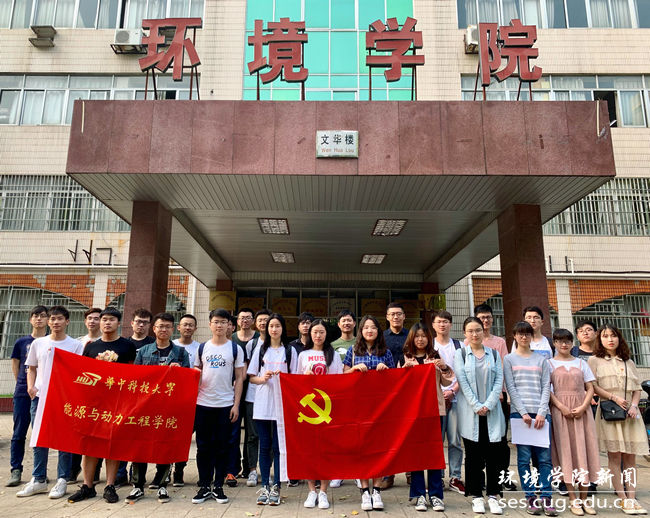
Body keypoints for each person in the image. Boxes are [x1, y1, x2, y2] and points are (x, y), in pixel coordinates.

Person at [68, 307, 136, 504]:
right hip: (94, 404)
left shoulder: (127, 346)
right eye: (104, 319)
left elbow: (134, 374)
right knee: (90, 445)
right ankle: (87, 486)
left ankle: (110, 486)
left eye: (111, 319)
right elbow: (83, 374)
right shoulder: (91, 347)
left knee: (112, 445)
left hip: (117, 403)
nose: (107, 323)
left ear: (118, 323)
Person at [17, 306, 83, 500]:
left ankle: (62, 479)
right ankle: (39, 479)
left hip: (64, 398)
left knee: (64, 438)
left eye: (60, 319)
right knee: (39, 437)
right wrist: (31, 387)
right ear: (48, 321)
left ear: (67, 321)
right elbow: (31, 368)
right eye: (52, 319)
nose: (55, 322)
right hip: (40, 397)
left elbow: (78, 371)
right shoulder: (38, 343)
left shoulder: (75, 345)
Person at [126, 312, 191, 504]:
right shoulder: (143, 351)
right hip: (145, 407)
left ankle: (162, 484)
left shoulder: (181, 353)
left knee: (165, 445)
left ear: (173, 329)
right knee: (140, 446)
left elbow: (187, 382)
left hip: (168, 408)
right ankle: (138, 485)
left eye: (167, 326)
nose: (164, 329)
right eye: (160, 326)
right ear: (154, 329)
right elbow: (136, 379)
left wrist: (180, 372)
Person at [588, 324, 649, 515]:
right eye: (605, 336)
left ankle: (632, 497)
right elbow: (593, 386)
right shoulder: (594, 360)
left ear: (619, 338)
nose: (610, 339)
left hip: (630, 414)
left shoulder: (628, 361)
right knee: (614, 457)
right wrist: (613, 398)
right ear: (600, 339)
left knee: (630, 458)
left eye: (613, 335)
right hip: (610, 412)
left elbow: (637, 388)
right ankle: (623, 498)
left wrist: (634, 405)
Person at [191, 309, 246, 504]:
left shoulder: (235, 349)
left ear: (229, 325)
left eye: (223, 322)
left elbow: (239, 378)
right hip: (203, 404)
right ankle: (204, 485)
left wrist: (236, 405)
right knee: (203, 447)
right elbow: (196, 374)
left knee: (222, 447)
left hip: (225, 405)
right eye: (216, 322)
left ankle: (218, 486)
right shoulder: (202, 348)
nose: (219, 325)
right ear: (210, 324)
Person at [454, 316, 505, 516]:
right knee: (473, 455)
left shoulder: (494, 354)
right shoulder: (461, 354)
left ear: (483, 332)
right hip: (470, 412)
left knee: (494, 456)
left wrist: (489, 404)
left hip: (492, 412)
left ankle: (493, 495)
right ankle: (476, 495)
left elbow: (499, 380)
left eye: (478, 330)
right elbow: (462, 381)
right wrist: (476, 405)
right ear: (465, 334)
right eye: (470, 331)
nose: (474, 334)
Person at [503, 321, 556, 516]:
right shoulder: (508, 359)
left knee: (545, 459)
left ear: (532, 336)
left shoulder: (541, 359)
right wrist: (523, 412)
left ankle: (547, 497)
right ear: (515, 336)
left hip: (542, 414)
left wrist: (542, 412)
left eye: (527, 334)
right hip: (520, 415)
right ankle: (530, 497)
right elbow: (511, 387)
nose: (524, 337)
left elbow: (546, 386)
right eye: (520, 334)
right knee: (524, 459)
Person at [400, 322, 453, 513]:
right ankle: (419, 494)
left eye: (423, 336)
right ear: (411, 338)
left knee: (434, 453)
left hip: (434, 411)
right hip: (414, 412)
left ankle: (436, 495)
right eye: (417, 336)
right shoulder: (406, 357)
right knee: (416, 454)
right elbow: (399, 385)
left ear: (429, 338)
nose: (420, 339)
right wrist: (404, 370)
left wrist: (444, 367)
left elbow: (447, 381)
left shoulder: (435, 356)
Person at [343, 314, 394, 511]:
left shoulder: (386, 352)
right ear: (361, 331)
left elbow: (395, 381)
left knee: (379, 449)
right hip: (359, 408)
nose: (369, 330)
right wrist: (354, 369)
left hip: (381, 408)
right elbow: (343, 377)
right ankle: (365, 491)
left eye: (373, 327)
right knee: (362, 449)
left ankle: (377, 490)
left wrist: (385, 370)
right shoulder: (353, 351)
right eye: (366, 327)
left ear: (378, 331)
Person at [248, 313, 298, 506]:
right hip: (262, 403)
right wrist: (264, 378)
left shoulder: (290, 351)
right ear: (266, 329)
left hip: (282, 404)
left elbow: (296, 378)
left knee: (278, 447)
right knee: (264, 446)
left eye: (277, 326)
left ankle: (277, 486)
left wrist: (284, 379)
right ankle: (265, 486)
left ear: (283, 328)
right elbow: (252, 377)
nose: (274, 329)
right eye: (271, 326)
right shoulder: (261, 349)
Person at [548, 328, 599, 516]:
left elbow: (590, 387)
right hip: (560, 412)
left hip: (582, 412)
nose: (564, 344)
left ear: (572, 343)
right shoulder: (549, 364)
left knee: (584, 451)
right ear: (554, 343)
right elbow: (548, 390)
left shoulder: (581, 363)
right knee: (566, 453)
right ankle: (572, 498)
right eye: (560, 341)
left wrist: (584, 406)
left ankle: (584, 498)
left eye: (567, 341)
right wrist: (561, 406)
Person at [298, 319, 344, 510]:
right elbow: (295, 381)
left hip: (327, 409)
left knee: (326, 451)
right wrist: (305, 378)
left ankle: (323, 491)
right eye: (315, 332)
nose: (318, 335)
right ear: (310, 334)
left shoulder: (333, 355)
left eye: (321, 332)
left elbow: (339, 381)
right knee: (309, 451)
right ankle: (311, 490)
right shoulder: (303, 355)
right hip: (308, 409)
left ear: (327, 334)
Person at [474, 303, 515, 492]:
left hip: (498, 397)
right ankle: (482, 477)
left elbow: (504, 369)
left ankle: (503, 476)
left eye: (488, 317)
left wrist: (502, 393)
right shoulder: (468, 343)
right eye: (482, 317)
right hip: (477, 399)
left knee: (500, 440)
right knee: (480, 440)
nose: (485, 320)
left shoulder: (499, 342)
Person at [7, 305, 48, 488]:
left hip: (44, 393)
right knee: (18, 433)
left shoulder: (50, 342)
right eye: (35, 316)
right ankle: (16, 469)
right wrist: (24, 384)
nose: (39, 319)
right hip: (23, 393)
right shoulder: (21, 342)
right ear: (31, 319)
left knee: (41, 435)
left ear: (48, 320)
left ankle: (39, 474)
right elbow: (16, 365)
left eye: (42, 316)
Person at [432, 310, 465, 495]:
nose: (442, 325)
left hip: (456, 398)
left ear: (451, 324)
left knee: (455, 440)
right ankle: (437, 476)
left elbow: (463, 374)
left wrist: (453, 391)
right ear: (433, 325)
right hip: (435, 400)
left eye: (445, 321)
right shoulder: (430, 345)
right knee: (436, 441)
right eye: (439, 321)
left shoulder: (459, 346)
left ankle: (455, 477)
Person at [69, 307, 103, 483]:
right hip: (81, 393)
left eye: (96, 318)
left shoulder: (106, 342)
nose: (93, 321)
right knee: (78, 433)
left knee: (98, 434)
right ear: (85, 321)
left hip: (101, 394)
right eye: (90, 318)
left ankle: (95, 471)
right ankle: (73, 469)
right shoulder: (77, 343)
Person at [242, 308, 270, 488]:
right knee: (252, 435)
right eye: (260, 320)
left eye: (267, 320)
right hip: (252, 395)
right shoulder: (251, 345)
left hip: (273, 396)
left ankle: (269, 471)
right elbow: (246, 372)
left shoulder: (281, 346)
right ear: (255, 323)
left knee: (270, 436)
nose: (263, 323)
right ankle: (252, 470)